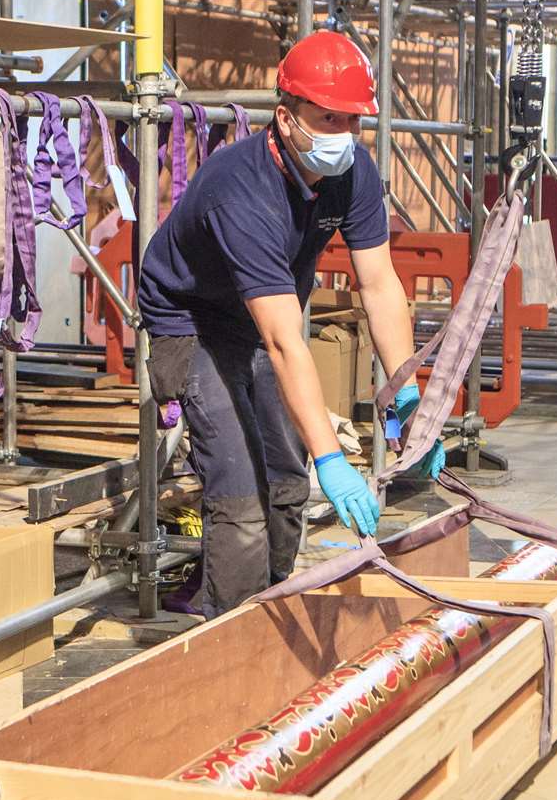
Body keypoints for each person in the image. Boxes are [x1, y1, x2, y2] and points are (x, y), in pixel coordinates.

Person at [137, 31, 444, 619]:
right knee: (242, 493)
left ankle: (268, 604)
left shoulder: (350, 172)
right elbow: (283, 342)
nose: (344, 135)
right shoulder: (241, 191)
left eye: (353, 120)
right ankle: (229, 633)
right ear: (285, 117)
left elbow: (379, 286)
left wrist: (408, 395)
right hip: (194, 320)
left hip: (263, 314)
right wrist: (333, 459)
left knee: (287, 484)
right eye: (328, 117)